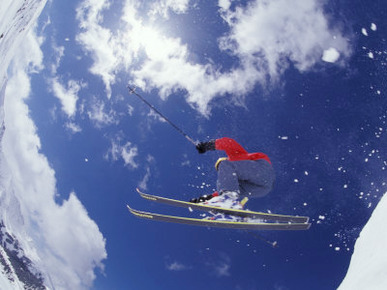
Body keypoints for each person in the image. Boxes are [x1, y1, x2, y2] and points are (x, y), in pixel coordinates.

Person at [190, 137, 275, 209]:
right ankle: (228, 206)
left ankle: (228, 200)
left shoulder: (234, 158)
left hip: (263, 170)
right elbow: (224, 189)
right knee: (229, 190)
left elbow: (228, 142)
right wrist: (205, 199)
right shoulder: (232, 179)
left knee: (225, 167)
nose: (222, 171)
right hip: (261, 189)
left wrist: (207, 145)